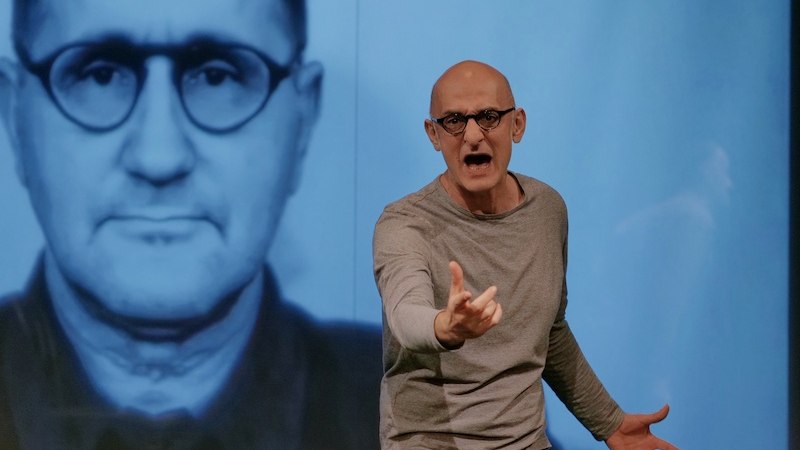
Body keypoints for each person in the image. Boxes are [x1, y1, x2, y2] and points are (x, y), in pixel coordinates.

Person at [0, 0, 381, 449]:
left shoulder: (435, 406)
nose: (159, 157)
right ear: (15, 117)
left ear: (301, 123)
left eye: (217, 76)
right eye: (99, 74)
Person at [373, 60, 678, 450]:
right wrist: (444, 327)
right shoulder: (404, 224)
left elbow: (549, 332)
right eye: (453, 121)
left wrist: (610, 423)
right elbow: (405, 314)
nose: (472, 136)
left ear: (517, 124)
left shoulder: (547, 211)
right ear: (433, 134)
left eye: (487, 117)